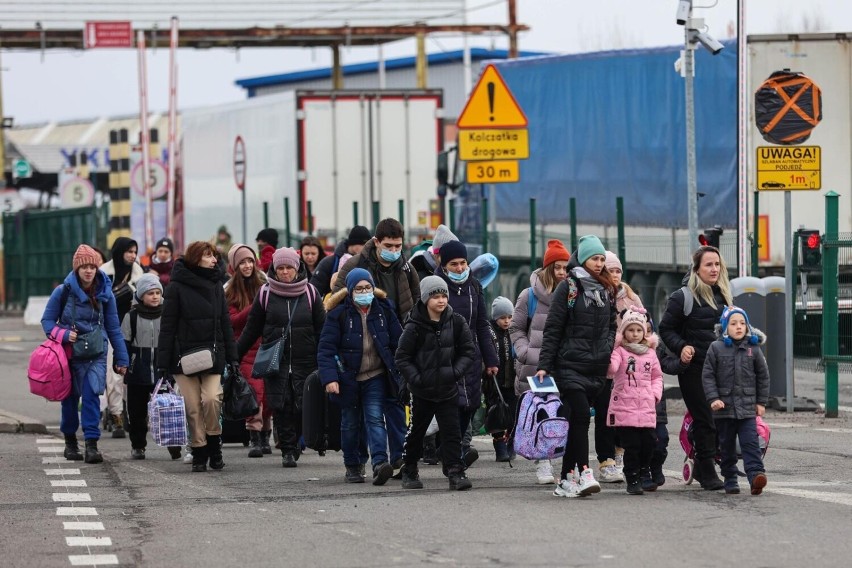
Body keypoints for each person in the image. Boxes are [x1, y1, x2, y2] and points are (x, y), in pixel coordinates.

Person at [332, 218, 419, 474]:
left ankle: (398, 458)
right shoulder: (356, 265)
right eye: (389, 245)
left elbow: (415, 304)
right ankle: (357, 461)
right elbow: (337, 301)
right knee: (359, 413)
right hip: (361, 345)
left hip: (395, 345)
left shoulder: (405, 268)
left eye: (398, 246)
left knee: (395, 405)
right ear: (377, 241)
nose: (394, 251)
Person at [536, 234, 616, 498]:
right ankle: (584, 472)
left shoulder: (605, 289)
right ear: (583, 259)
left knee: (576, 421)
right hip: (568, 365)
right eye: (595, 258)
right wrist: (545, 365)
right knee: (581, 414)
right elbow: (553, 328)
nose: (599, 263)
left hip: (595, 366)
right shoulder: (568, 288)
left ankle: (565, 480)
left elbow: (612, 326)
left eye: (602, 258)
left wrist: (605, 348)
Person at [237, 247, 326, 468]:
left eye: (289, 268)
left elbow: (322, 329)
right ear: (274, 270)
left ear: (297, 268)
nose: (285, 272)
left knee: (302, 406)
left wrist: (328, 357)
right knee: (282, 405)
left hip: (305, 360)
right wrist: (234, 355)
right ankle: (287, 449)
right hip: (276, 360)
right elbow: (251, 329)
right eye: (280, 268)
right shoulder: (265, 294)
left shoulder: (310, 293)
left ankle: (296, 441)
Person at [41, 244, 129, 464]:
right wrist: (62, 334)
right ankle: (70, 442)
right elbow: (47, 322)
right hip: (69, 355)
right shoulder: (63, 292)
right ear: (77, 269)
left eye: (92, 266)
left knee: (91, 398)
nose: (89, 271)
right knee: (69, 401)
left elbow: (113, 327)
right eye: (84, 267)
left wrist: (122, 357)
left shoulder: (104, 292)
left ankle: (91, 445)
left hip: (96, 354)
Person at [158, 241, 239, 473]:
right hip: (182, 358)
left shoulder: (216, 285)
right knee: (192, 407)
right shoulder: (175, 287)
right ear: (196, 259)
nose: (214, 260)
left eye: (214, 255)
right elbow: (167, 326)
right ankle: (199, 451)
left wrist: (232, 357)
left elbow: (225, 322)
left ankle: (215, 447)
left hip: (212, 356)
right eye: (208, 256)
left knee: (212, 399)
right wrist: (163, 364)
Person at [317, 268, 404, 485]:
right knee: (350, 424)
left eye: (368, 287)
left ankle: (379, 463)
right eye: (359, 288)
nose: (364, 292)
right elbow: (326, 349)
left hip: (375, 376)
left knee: (375, 418)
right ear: (350, 290)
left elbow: (399, 341)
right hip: (347, 378)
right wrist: (330, 379)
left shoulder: (384, 310)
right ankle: (353, 465)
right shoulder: (338, 314)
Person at [658, 245, 733, 491]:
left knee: (720, 419)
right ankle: (708, 471)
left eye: (717, 264)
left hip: (720, 369)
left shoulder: (724, 295)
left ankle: (702, 464)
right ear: (697, 269)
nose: (714, 269)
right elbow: (666, 329)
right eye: (708, 265)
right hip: (694, 369)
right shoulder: (683, 297)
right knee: (705, 418)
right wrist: (682, 347)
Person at [395, 276, 477, 491]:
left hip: (448, 389)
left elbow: (468, 351)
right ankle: (409, 469)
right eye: (436, 297)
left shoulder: (456, 321)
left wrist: (455, 372)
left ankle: (455, 472)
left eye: (444, 296)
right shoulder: (414, 326)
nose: (441, 301)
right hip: (422, 391)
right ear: (425, 299)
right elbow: (402, 357)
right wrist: (417, 379)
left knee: (452, 433)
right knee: (416, 432)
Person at [433, 239, 499, 467]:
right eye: (454, 264)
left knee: (469, 406)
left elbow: (481, 324)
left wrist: (491, 359)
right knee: (453, 406)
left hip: (471, 355)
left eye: (463, 263)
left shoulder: (474, 287)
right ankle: (453, 457)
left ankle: (449, 450)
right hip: (445, 356)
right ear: (444, 264)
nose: (460, 268)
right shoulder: (435, 286)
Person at [510, 238, 570, 484]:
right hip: (535, 368)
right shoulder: (529, 296)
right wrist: (525, 352)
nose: (562, 272)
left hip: (563, 364)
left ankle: (565, 463)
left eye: (566, 267)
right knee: (542, 415)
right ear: (548, 269)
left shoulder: (571, 295)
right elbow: (515, 328)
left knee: (563, 414)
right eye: (558, 267)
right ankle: (544, 464)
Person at [702, 306, 770, 495]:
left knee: (750, 443)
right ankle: (730, 478)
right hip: (724, 408)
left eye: (742, 323)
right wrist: (713, 398)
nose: (739, 327)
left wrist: (761, 402)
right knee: (727, 445)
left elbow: (763, 376)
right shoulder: (716, 348)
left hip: (747, 408)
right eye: (733, 323)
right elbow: (708, 376)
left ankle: (756, 475)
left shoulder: (753, 349)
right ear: (725, 327)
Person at [595, 250, 647, 482]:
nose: (615, 275)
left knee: (625, 412)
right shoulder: (597, 295)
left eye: (618, 271)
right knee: (606, 411)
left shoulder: (631, 297)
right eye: (611, 271)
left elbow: (645, 328)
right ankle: (606, 460)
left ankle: (619, 452)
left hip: (629, 366)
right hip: (605, 363)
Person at [121, 274, 181, 460]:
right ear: (140, 295)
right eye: (149, 293)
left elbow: (174, 341)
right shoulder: (131, 317)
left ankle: (173, 444)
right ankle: (138, 445)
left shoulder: (167, 315)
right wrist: (124, 363)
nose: (155, 296)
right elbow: (124, 343)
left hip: (162, 370)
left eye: (157, 292)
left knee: (168, 409)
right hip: (137, 371)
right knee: (137, 412)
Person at [607, 306, 663, 495]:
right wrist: (611, 350)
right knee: (632, 445)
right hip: (625, 405)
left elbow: (657, 376)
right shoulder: (620, 352)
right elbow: (611, 369)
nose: (635, 334)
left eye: (639, 330)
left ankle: (643, 470)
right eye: (631, 330)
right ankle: (631, 477)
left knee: (649, 443)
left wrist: (655, 394)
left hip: (646, 405)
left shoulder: (650, 353)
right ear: (624, 332)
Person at [225, 243, 271, 458]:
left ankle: (265, 435)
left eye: (250, 261)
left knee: (269, 395)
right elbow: (232, 320)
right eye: (242, 262)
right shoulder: (229, 291)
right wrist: (254, 308)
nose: (247, 265)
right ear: (235, 265)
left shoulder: (265, 285)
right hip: (244, 348)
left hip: (267, 346)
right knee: (253, 392)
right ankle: (253, 436)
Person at [100, 237, 144, 439]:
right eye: (129, 251)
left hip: (134, 330)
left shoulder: (138, 273)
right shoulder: (104, 273)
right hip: (111, 329)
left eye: (135, 252)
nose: (132, 255)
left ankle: (130, 414)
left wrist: (133, 292)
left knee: (132, 374)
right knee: (114, 374)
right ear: (119, 251)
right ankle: (117, 415)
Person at [483, 296, 517, 462]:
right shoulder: (488, 331)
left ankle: (511, 444)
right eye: (503, 318)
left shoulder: (514, 332)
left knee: (513, 415)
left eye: (510, 317)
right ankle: (500, 448)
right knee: (496, 415)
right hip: (494, 383)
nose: (507, 321)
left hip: (512, 382)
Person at [311, 225, 371, 297]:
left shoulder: (369, 261)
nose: (367, 248)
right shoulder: (329, 263)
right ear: (355, 244)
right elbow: (314, 292)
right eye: (364, 245)